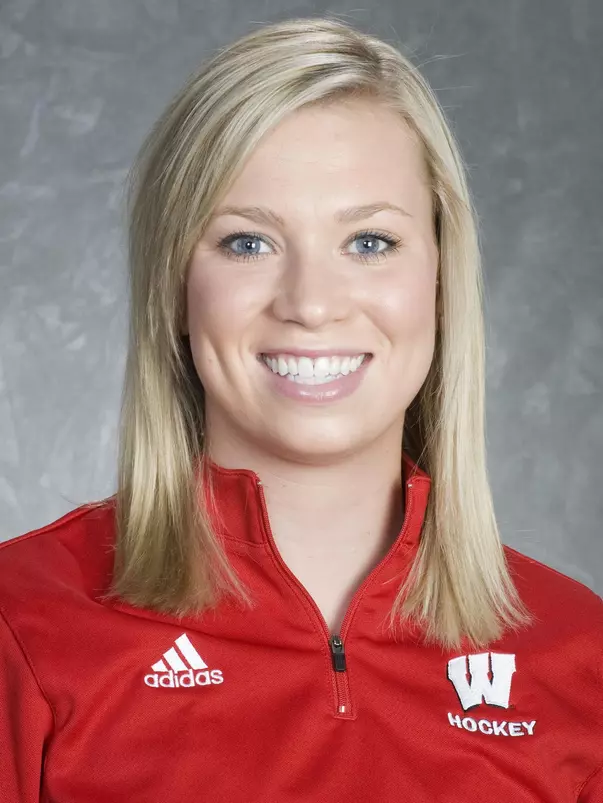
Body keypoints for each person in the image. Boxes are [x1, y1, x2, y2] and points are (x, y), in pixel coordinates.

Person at [1, 15, 601, 802]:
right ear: (176, 289)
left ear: (441, 278)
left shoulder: (579, 655)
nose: (311, 304)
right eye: (248, 243)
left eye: (370, 242)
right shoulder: (23, 623)